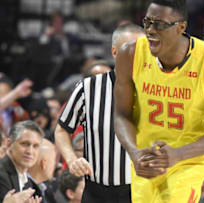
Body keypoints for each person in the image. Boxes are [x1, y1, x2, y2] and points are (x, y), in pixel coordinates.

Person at [113, 0, 204, 202]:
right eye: (147, 22)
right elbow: (121, 115)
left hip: (188, 160)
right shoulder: (130, 54)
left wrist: (179, 154)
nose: (150, 30)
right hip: (147, 157)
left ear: (181, 27)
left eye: (159, 24)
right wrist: (134, 153)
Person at [55, 24, 145, 203]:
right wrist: (72, 159)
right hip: (97, 193)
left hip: (141, 191)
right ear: (114, 52)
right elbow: (62, 129)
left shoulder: (156, 91)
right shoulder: (88, 88)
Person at [0, 120, 44, 202]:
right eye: (25, 144)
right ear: (9, 144)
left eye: (35, 146)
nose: (30, 151)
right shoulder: (1, 174)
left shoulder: (30, 183)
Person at [28, 139, 58, 203]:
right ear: (43, 163)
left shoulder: (46, 187)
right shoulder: (25, 192)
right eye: (54, 160)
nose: (56, 165)